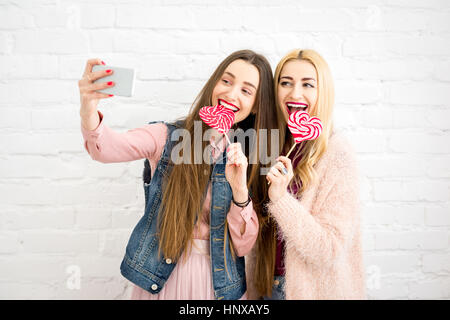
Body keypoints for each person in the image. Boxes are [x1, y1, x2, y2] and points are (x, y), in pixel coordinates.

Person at [78, 50, 279, 300]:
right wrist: (88, 107)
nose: (231, 93)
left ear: (256, 105)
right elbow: (106, 149)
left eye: (246, 91)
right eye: (226, 81)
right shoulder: (166, 137)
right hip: (162, 279)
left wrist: (239, 190)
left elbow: (243, 245)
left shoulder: (250, 158)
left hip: (218, 286)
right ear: (214, 83)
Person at [246, 49, 366, 300]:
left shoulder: (336, 153)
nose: (295, 93)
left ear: (322, 92)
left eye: (307, 84)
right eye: (285, 83)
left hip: (311, 292)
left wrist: (280, 199)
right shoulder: (268, 146)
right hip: (266, 287)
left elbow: (329, 248)